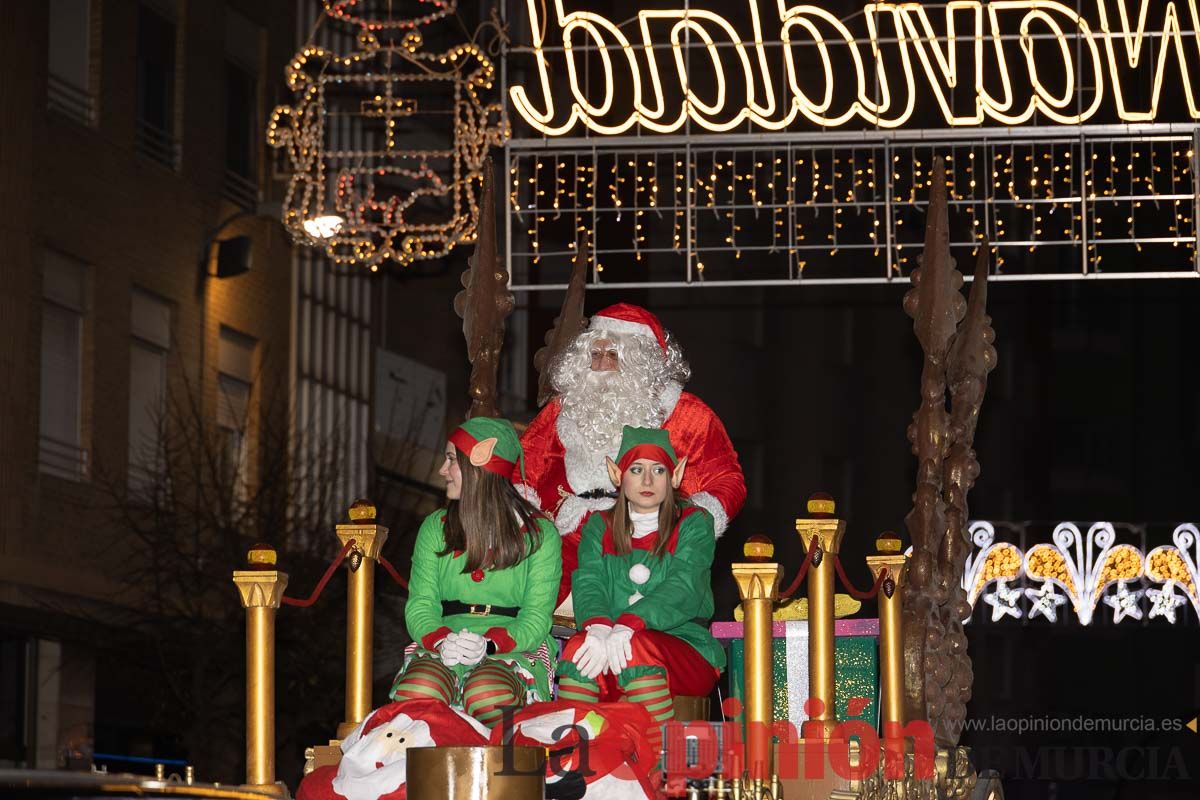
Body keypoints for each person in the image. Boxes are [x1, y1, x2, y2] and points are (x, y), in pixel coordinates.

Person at [518, 303, 745, 608]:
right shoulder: (562, 410)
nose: (599, 366)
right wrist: (526, 525)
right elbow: (520, 470)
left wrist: (683, 527)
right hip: (563, 550)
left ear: (641, 363)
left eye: (612, 355)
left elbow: (726, 480)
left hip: (649, 548)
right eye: (594, 355)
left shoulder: (686, 413)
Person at [391, 417, 561, 728]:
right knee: (419, 690)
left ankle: (498, 772)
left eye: (452, 459)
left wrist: (491, 645)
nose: (442, 470)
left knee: (488, 693)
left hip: (514, 646)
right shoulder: (435, 527)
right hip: (445, 643)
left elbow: (537, 617)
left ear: (480, 464)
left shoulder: (540, 535)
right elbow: (421, 604)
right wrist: (443, 641)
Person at [557, 427, 724, 735]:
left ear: (674, 476)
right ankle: (579, 765)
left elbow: (684, 586)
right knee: (577, 649)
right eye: (637, 469)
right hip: (612, 640)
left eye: (658, 470)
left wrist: (630, 623)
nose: (647, 481)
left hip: (685, 649)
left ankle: (659, 773)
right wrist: (598, 625)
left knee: (637, 648)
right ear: (618, 474)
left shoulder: (694, 523)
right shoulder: (598, 525)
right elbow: (589, 580)